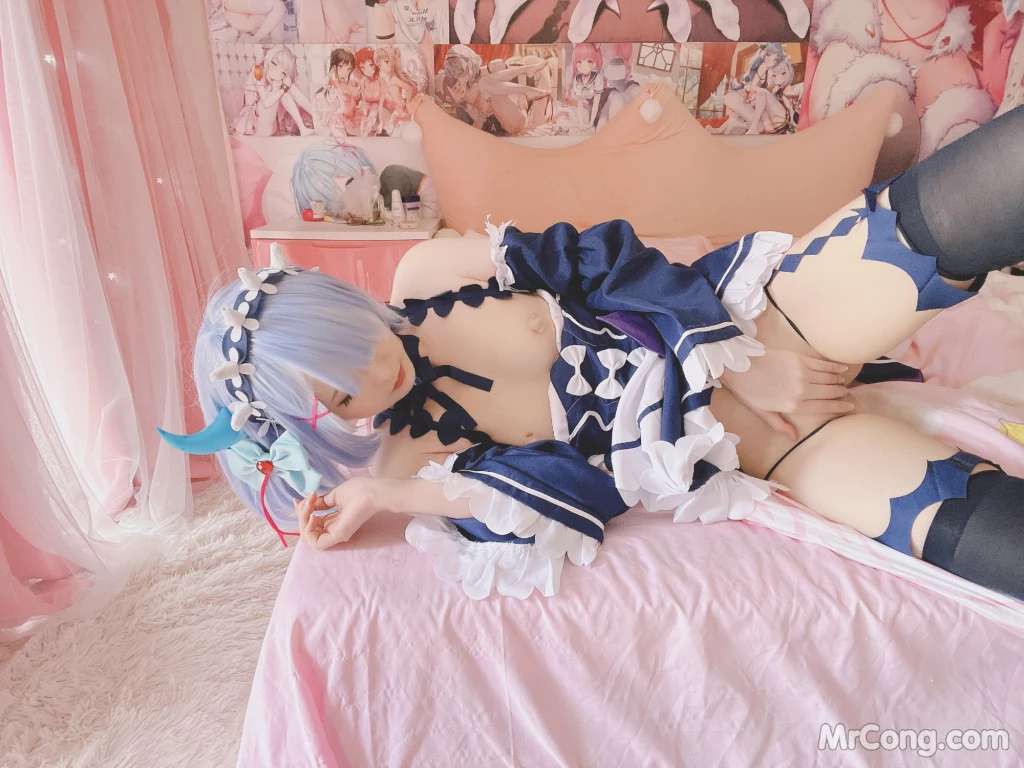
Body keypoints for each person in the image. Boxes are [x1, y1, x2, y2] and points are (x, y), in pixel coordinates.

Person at [161, 106, 1024, 601]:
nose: (373, 372)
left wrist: (739, 357)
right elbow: (570, 493)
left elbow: (608, 259)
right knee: (969, 534)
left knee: (939, 220)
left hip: (764, 324)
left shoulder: (428, 273)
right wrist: (383, 493)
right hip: (769, 452)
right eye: (343, 395)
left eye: (354, 343)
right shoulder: (410, 454)